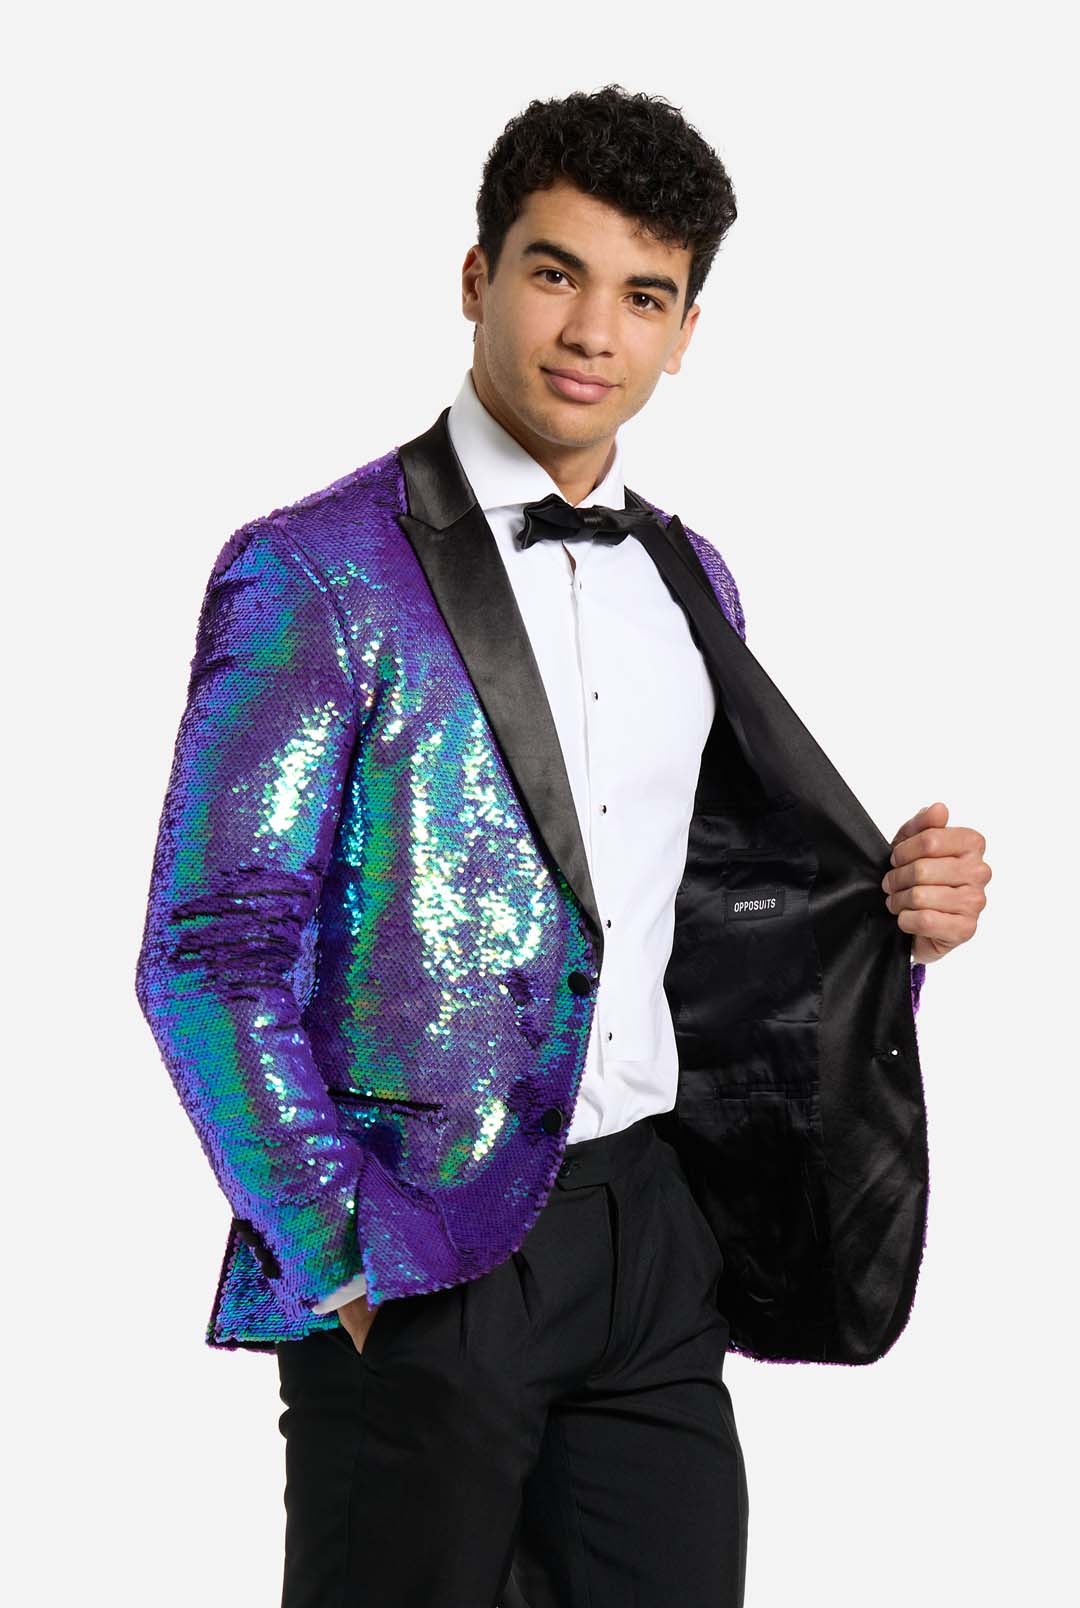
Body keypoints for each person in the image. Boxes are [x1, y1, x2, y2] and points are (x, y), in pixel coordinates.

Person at [134, 85, 991, 1608]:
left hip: (654, 1235)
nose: (594, 331)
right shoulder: (312, 571)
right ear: (477, 277)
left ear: (685, 331)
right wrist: (342, 1255)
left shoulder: (691, 574)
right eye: (555, 272)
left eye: (643, 296)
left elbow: (708, 920)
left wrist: (892, 924)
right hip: (421, 1246)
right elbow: (210, 956)